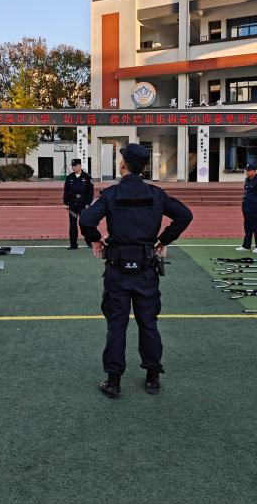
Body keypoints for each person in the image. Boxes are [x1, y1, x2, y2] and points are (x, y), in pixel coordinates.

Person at [79, 143, 192, 398]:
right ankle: (152, 378)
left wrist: (95, 240)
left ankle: (113, 381)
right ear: (143, 168)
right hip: (146, 268)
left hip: (117, 269)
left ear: (122, 165)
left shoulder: (111, 194)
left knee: (116, 325)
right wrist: (163, 240)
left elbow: (86, 219)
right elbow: (185, 215)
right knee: (148, 323)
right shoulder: (156, 194)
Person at [63, 158, 94, 250]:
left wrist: (88, 203)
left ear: (79, 166)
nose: (73, 167)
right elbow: (66, 191)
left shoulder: (87, 177)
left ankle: (89, 242)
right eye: (72, 166)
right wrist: (65, 202)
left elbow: (90, 191)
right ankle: (73, 244)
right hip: (72, 204)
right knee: (72, 225)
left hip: (83, 204)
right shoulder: (69, 177)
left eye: (75, 166)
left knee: (84, 223)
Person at [237, 164, 257, 253]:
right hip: (246, 207)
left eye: (248, 170)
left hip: (254, 207)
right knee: (247, 227)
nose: (246, 172)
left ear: (254, 171)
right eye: (246, 170)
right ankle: (246, 245)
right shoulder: (248, 180)